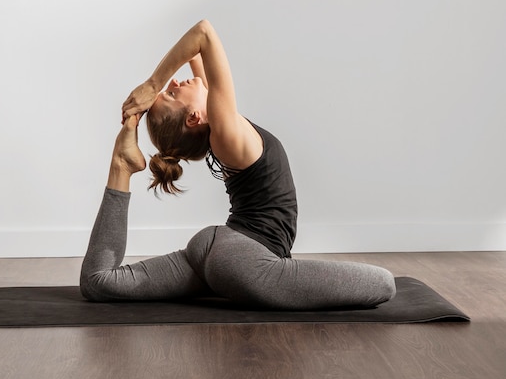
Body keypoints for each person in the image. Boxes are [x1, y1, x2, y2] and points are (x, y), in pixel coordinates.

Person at [80, 20, 396, 309]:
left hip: (213, 250)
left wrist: (152, 100)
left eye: (170, 88)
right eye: (173, 93)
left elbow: (196, 56)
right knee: (384, 284)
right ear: (194, 118)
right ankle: (123, 162)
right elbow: (203, 33)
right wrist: (152, 85)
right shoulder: (225, 131)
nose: (174, 83)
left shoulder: (220, 129)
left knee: (100, 283)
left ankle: (121, 166)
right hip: (246, 261)